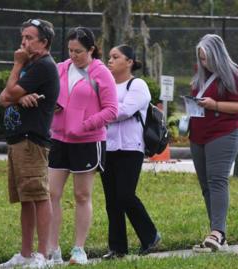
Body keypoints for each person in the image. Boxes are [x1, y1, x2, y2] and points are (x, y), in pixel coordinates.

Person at [47, 26, 118, 265]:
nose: (73, 56)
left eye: (78, 51)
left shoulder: (101, 73)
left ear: (91, 50)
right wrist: (53, 105)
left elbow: (111, 110)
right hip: (59, 139)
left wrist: (84, 125)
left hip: (87, 141)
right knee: (51, 193)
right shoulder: (61, 68)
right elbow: (50, 95)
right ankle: (52, 248)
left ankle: (79, 249)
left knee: (81, 195)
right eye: (70, 50)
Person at [0, 19, 59, 268]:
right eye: (22, 37)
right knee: (26, 198)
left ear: (44, 42)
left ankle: (42, 256)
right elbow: (3, 98)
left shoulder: (42, 66)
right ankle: (25, 254)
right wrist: (18, 98)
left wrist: (17, 65)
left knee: (39, 196)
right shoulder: (30, 66)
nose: (23, 42)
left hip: (31, 141)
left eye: (30, 38)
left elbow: (9, 93)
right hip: (17, 141)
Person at [189, 34, 238, 252]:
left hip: (224, 131)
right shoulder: (199, 75)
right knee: (206, 184)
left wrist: (215, 104)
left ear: (216, 54)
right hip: (198, 133)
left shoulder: (235, 73)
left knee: (217, 179)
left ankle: (218, 232)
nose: (203, 63)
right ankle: (216, 234)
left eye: (206, 58)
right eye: (200, 59)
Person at [101, 45, 161, 259]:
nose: (110, 60)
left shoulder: (138, 85)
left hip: (130, 148)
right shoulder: (105, 86)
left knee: (125, 195)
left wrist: (102, 111)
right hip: (107, 148)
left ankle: (150, 235)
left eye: (115, 57)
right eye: (109, 57)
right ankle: (117, 248)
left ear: (129, 62)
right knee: (112, 200)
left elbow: (125, 111)